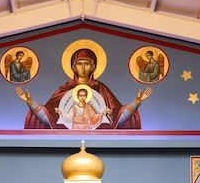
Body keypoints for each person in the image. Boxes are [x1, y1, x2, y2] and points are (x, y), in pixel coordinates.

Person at [16, 48, 151, 129]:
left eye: (87, 64)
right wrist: (30, 102)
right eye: (79, 64)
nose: (83, 67)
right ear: (73, 67)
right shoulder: (65, 88)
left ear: (93, 67)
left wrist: (137, 102)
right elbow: (50, 117)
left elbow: (116, 117)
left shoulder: (100, 88)